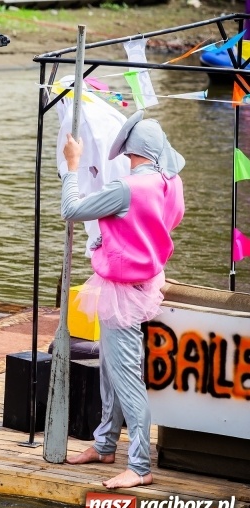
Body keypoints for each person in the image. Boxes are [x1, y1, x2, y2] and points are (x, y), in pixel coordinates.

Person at [60, 111, 185, 488]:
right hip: (146, 280)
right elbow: (166, 222)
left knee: (126, 377)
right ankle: (104, 445)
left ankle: (140, 467)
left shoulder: (126, 188)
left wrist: (72, 167)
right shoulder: (171, 182)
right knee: (111, 370)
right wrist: (119, 237)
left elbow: (71, 210)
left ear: (130, 152)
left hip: (122, 291)